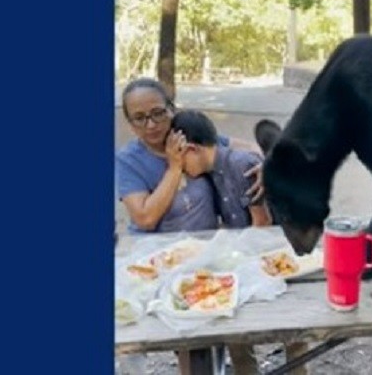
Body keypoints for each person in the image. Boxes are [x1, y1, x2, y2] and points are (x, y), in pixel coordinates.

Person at [172, 110, 308, 375]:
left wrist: (233, 256)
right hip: (252, 257)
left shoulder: (241, 165)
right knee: (234, 328)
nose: (179, 166)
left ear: (191, 149)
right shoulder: (213, 170)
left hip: (278, 256)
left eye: (179, 158)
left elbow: (262, 223)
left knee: (292, 332)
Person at [115, 78, 264, 234]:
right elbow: (145, 219)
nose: (151, 125)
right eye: (139, 118)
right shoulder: (128, 160)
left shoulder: (187, 136)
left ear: (171, 110)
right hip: (156, 250)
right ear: (130, 124)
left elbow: (248, 148)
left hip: (204, 246)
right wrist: (174, 169)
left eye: (157, 113)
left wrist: (264, 165)